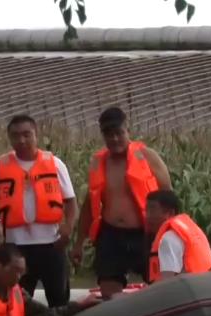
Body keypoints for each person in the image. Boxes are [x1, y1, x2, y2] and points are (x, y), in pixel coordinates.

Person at [70, 107, 173, 299]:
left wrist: (171, 233)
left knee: (160, 286)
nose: (115, 139)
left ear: (128, 130)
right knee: (109, 290)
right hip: (111, 234)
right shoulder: (98, 162)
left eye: (119, 133)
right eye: (109, 134)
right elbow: (88, 206)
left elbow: (168, 196)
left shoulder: (147, 156)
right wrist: (78, 243)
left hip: (144, 233)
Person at [0, 115, 78, 307]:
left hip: (52, 244)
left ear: (36, 134)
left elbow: (71, 203)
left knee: (59, 299)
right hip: (16, 247)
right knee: (15, 301)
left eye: (27, 134)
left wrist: (68, 227)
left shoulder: (55, 164)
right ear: (9, 138)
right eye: (16, 136)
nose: (22, 140)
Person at [145, 190, 211, 283]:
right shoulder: (193, 231)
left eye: (153, 210)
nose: (147, 216)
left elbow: (167, 284)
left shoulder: (168, 239)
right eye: (147, 210)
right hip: (206, 288)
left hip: (188, 293)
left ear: (170, 213)